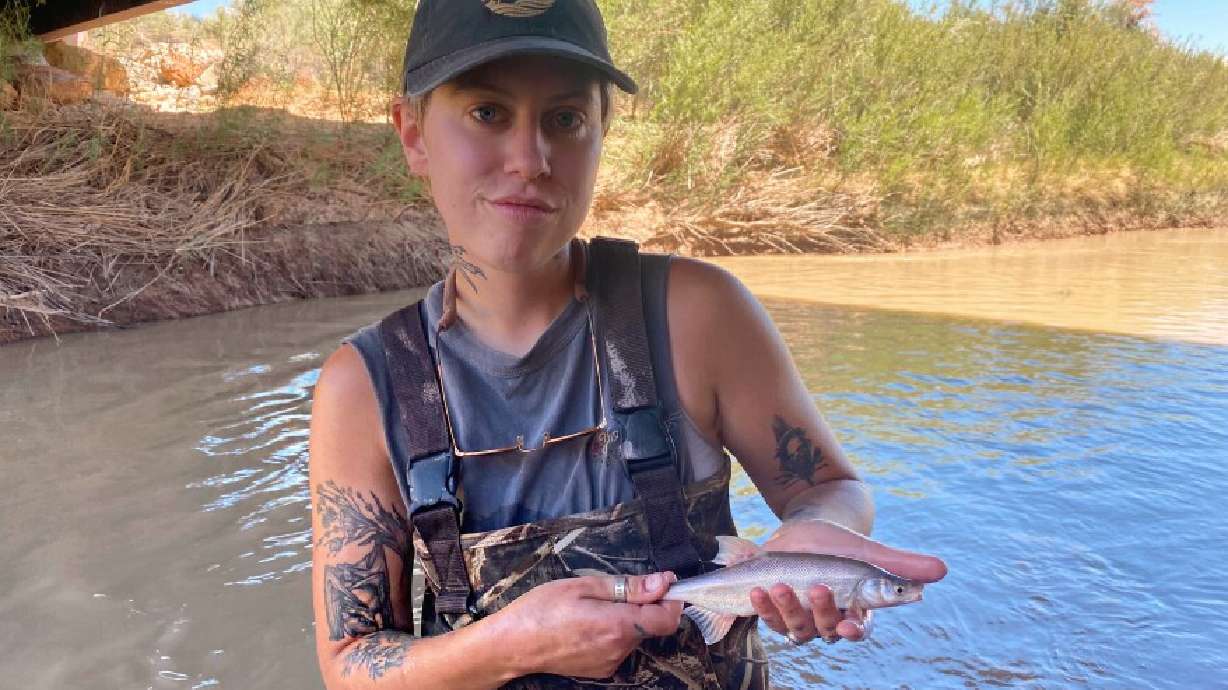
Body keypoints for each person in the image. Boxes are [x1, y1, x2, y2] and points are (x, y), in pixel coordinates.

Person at [308, 1, 948, 688]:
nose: (530, 159)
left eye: (566, 119)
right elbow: (351, 664)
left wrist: (809, 542)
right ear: (412, 135)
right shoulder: (363, 389)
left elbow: (830, 488)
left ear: (602, 132)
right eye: (487, 112)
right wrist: (511, 646)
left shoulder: (700, 315)